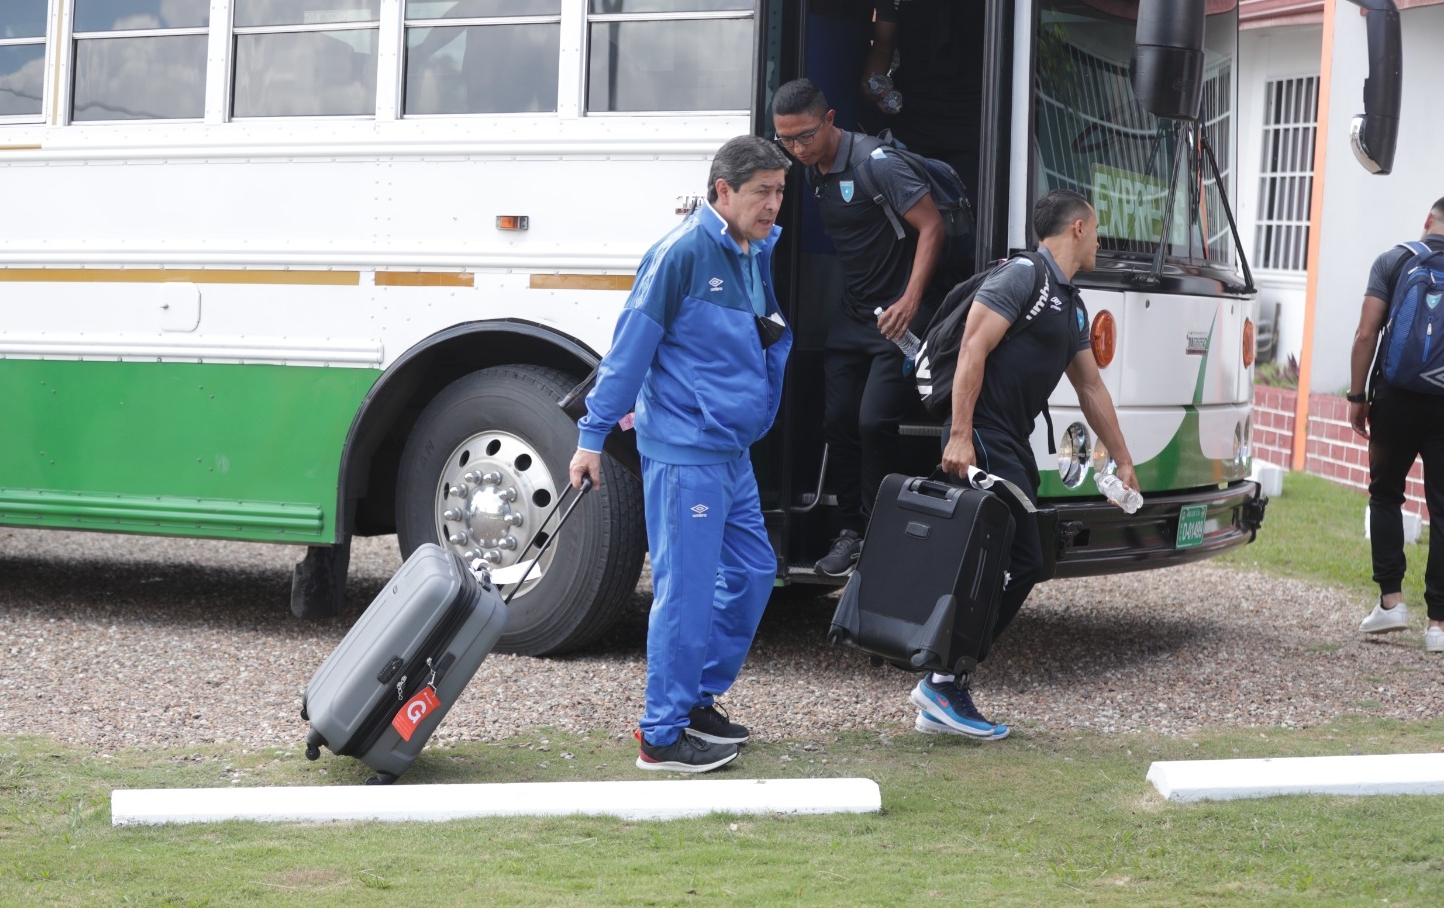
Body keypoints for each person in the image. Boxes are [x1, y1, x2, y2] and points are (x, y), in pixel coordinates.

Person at [569, 136, 793, 773]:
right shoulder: (680, 253)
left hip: (730, 450)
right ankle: (660, 736)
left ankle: (694, 700)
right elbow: (628, 352)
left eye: (779, 192)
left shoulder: (752, 249)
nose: (774, 204)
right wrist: (591, 438)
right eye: (762, 192)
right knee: (686, 592)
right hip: (685, 452)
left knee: (751, 574)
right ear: (722, 191)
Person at [915, 189, 1140, 739]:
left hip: (1011, 440)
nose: (1101, 241)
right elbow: (972, 350)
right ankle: (943, 683)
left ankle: (943, 685)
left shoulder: (1071, 302)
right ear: (1079, 229)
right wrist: (962, 436)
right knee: (1029, 554)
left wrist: (1124, 460)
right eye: (1098, 229)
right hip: (983, 436)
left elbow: (1090, 387)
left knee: (1008, 558)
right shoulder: (1022, 278)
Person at [771, 77, 944, 577]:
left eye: (805, 136)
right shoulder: (809, 171)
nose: (797, 148)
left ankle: (878, 531)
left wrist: (911, 301)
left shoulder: (875, 164)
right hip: (851, 316)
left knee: (874, 423)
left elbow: (932, 227)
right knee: (838, 423)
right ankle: (849, 531)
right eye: (786, 140)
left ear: (829, 120)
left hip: (899, 319)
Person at [1348, 197, 1444, 653]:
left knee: (1386, 494)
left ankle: (1391, 603)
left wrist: (1356, 395)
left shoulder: (1393, 260)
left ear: (1428, 221)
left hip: (1396, 399)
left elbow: (1366, 333)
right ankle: (1439, 627)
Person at [861, 0, 986, 198]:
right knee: (908, 203)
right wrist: (874, 83)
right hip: (914, 115)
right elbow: (883, 47)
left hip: (974, 118)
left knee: (971, 206)